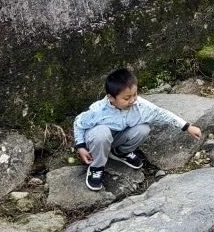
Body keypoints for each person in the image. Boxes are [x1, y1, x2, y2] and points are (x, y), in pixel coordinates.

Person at [72, 67, 203, 192]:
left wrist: (187, 126)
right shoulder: (98, 110)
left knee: (143, 129)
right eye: (126, 98)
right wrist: (81, 146)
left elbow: (161, 114)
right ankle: (97, 166)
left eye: (134, 94)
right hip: (97, 140)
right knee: (101, 133)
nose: (133, 100)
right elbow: (79, 123)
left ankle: (120, 152)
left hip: (116, 138)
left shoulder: (139, 105)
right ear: (111, 98)